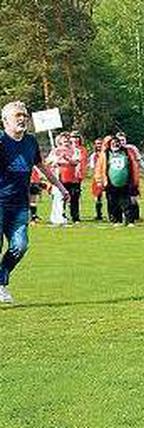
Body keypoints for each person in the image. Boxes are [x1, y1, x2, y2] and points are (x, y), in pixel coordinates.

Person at [0, 101, 69, 303]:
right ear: (5, 120)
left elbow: (41, 166)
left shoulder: (30, 141)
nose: (22, 119)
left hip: (19, 205)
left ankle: (1, 280)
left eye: (24, 115)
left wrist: (60, 186)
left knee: (20, 246)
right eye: (18, 115)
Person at [45, 132, 81, 224]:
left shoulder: (75, 150)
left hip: (72, 178)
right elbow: (48, 162)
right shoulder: (55, 151)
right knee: (59, 197)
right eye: (64, 139)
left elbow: (76, 162)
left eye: (68, 139)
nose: (66, 140)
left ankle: (75, 217)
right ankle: (60, 215)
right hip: (59, 178)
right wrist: (56, 161)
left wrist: (67, 159)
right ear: (60, 140)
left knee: (74, 198)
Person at [117, 132, 144, 222]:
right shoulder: (115, 150)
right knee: (121, 197)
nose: (121, 142)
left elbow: (139, 160)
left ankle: (135, 216)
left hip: (132, 177)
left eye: (123, 140)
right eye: (119, 140)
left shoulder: (132, 148)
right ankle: (123, 215)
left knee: (133, 197)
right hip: (121, 178)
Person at [89, 138, 105, 221]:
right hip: (97, 177)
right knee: (98, 196)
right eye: (97, 144)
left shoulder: (106, 154)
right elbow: (92, 168)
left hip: (106, 177)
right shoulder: (93, 156)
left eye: (100, 143)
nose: (99, 145)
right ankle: (99, 214)